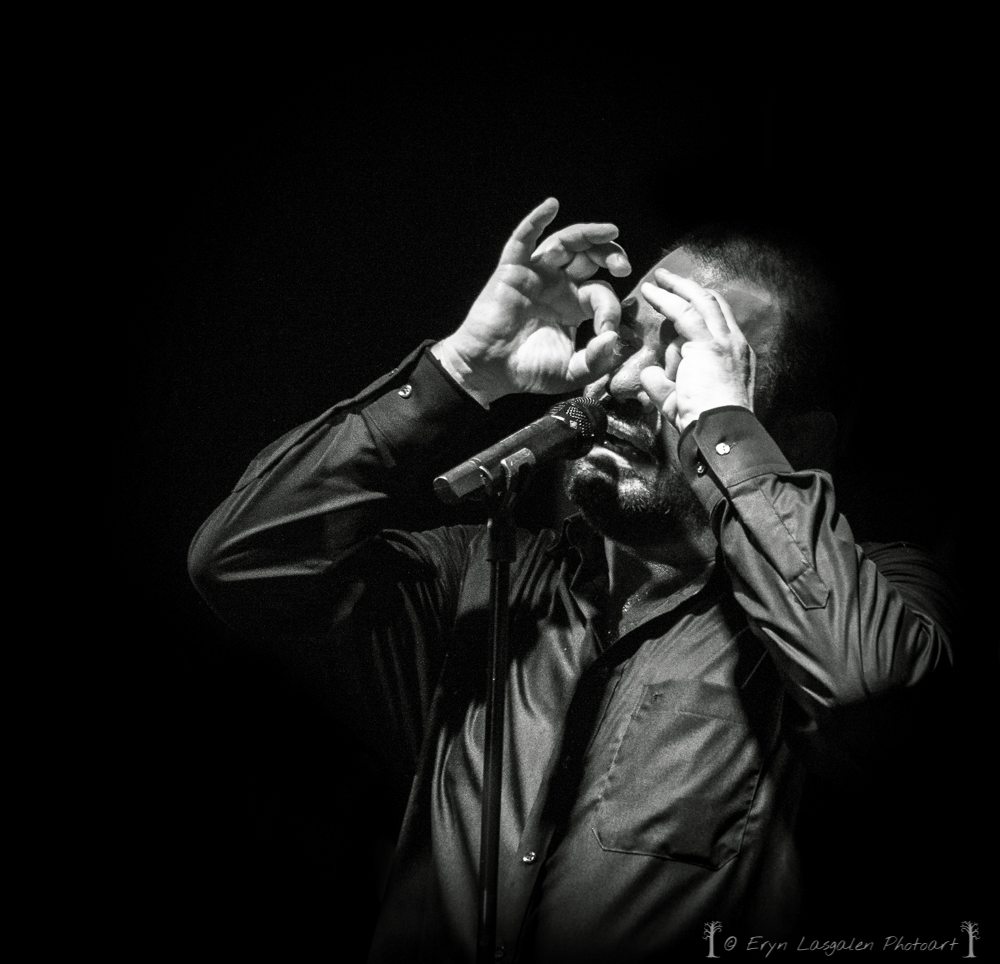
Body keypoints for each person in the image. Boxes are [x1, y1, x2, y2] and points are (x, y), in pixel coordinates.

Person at [189, 198, 956, 962]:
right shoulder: (486, 578)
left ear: (791, 437)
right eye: (627, 337)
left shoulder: (870, 596)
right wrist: (462, 371)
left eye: (684, 360)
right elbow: (241, 561)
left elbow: (873, 691)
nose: (624, 379)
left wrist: (722, 432)